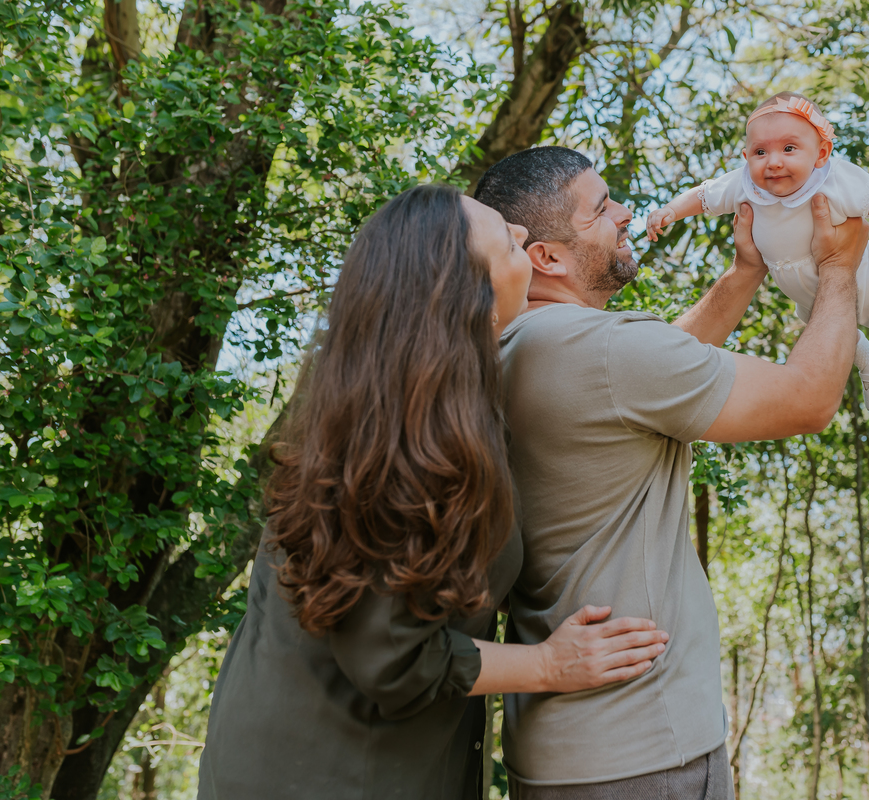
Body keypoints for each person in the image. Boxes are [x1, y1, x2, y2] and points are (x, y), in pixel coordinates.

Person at [196, 184, 670, 800]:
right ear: (461, 294)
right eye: (506, 238)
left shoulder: (423, 397)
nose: (524, 236)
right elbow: (389, 656)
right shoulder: (397, 434)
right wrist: (552, 665)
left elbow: (638, 380)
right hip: (328, 774)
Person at [473, 147, 869, 799]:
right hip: (646, 752)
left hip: (565, 750)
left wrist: (745, 273)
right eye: (601, 209)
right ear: (546, 256)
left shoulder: (521, 348)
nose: (625, 213)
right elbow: (809, 398)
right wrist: (838, 269)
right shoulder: (601, 352)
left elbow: (651, 376)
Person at [646, 90, 869, 410]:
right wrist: (671, 211)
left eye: (789, 148)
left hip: (858, 275)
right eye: (760, 151)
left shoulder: (833, 181)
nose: (773, 162)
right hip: (800, 284)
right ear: (746, 158)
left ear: (821, 153)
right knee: (827, 329)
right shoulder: (744, 185)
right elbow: (703, 196)